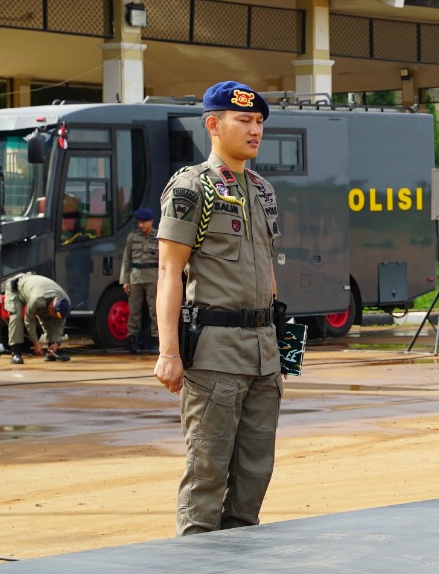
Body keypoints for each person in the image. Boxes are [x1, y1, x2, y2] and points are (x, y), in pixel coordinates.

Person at [152, 80, 282, 536]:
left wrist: (280, 343)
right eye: (244, 120)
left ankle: (239, 561)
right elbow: (169, 272)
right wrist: (169, 352)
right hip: (215, 355)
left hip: (264, 354)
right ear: (213, 125)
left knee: (254, 477)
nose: (255, 130)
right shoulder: (193, 188)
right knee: (207, 473)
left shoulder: (262, 190)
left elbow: (266, 270)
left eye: (259, 121)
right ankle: (196, 561)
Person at [3, 273, 71, 364]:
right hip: (16, 287)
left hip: (34, 287)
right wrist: (36, 343)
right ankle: (15, 353)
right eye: (55, 314)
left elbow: (61, 322)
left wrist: (56, 342)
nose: (55, 317)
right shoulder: (37, 299)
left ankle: (51, 352)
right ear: (51, 307)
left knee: (49, 317)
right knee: (16, 316)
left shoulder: (65, 302)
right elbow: (28, 320)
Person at [120, 207, 160, 355]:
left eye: (144, 222)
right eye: (139, 222)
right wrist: (125, 280)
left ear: (151, 221)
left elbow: (163, 260)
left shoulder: (158, 237)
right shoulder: (133, 237)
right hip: (136, 277)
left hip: (153, 276)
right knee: (134, 310)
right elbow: (126, 260)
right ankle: (133, 341)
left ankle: (156, 340)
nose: (141, 225)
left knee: (154, 310)